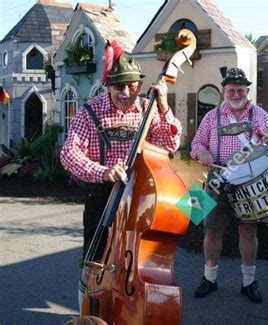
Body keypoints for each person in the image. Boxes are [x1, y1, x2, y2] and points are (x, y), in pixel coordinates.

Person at [60, 52, 182, 311]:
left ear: (139, 85)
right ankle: (87, 313)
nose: (126, 92)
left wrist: (163, 108)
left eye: (132, 85)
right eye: (119, 86)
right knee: (93, 261)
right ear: (108, 85)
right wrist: (103, 171)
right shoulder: (89, 112)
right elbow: (68, 154)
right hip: (103, 197)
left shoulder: (147, 109)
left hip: (139, 198)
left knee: (137, 260)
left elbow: (170, 144)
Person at [190, 68, 268, 303]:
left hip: (249, 178)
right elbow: (195, 144)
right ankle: (209, 278)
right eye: (231, 90)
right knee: (210, 229)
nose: (236, 94)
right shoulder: (211, 116)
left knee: (248, 231)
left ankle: (248, 282)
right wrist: (201, 153)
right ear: (223, 91)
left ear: (247, 91)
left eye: (240, 90)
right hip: (217, 177)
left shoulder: (259, 114)